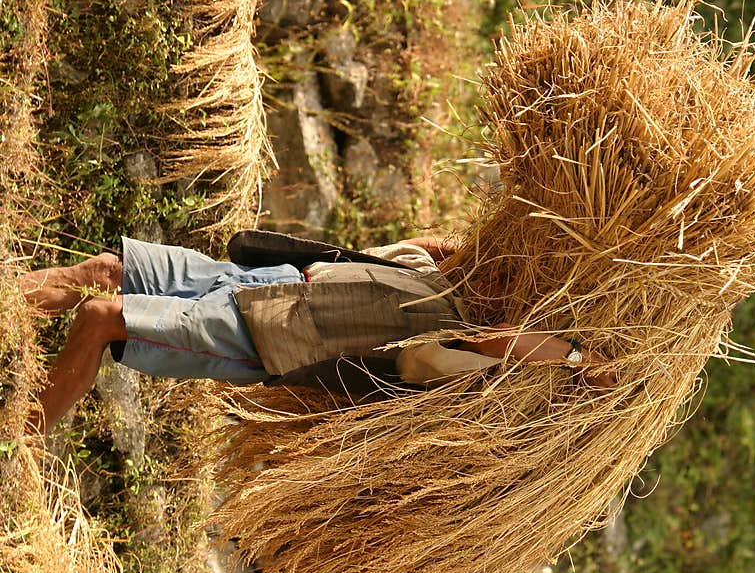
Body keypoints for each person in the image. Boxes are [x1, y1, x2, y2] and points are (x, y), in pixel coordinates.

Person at [20, 231, 608, 436]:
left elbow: (497, 338)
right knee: (105, 272)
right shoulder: (450, 282)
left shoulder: (475, 354)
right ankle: (7, 303)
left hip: (270, 334)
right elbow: (424, 244)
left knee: (104, 318)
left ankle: (16, 442)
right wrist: (463, 248)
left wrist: (577, 356)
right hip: (271, 279)